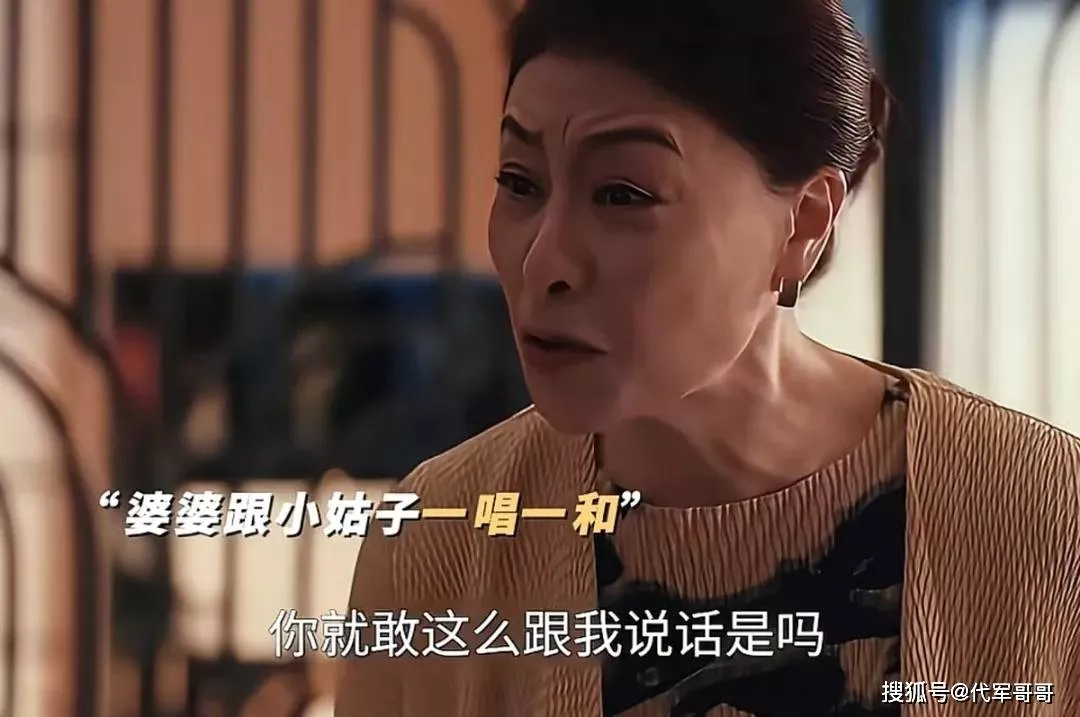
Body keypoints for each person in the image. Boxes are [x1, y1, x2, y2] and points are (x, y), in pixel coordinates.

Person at [335, 0, 1080, 714]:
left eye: (622, 194)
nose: (542, 262)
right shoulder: (439, 543)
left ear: (803, 222)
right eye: (519, 183)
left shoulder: (1043, 511)